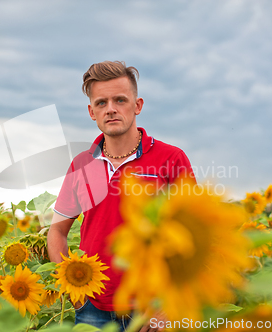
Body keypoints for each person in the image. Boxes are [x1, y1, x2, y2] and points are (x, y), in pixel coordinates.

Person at [47, 61, 195, 331]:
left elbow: (193, 233)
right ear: (92, 112)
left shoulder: (171, 158)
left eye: (120, 100)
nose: (111, 108)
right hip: (93, 309)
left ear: (137, 105)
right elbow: (56, 232)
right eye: (101, 103)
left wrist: (170, 305)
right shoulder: (81, 164)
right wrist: (73, 291)